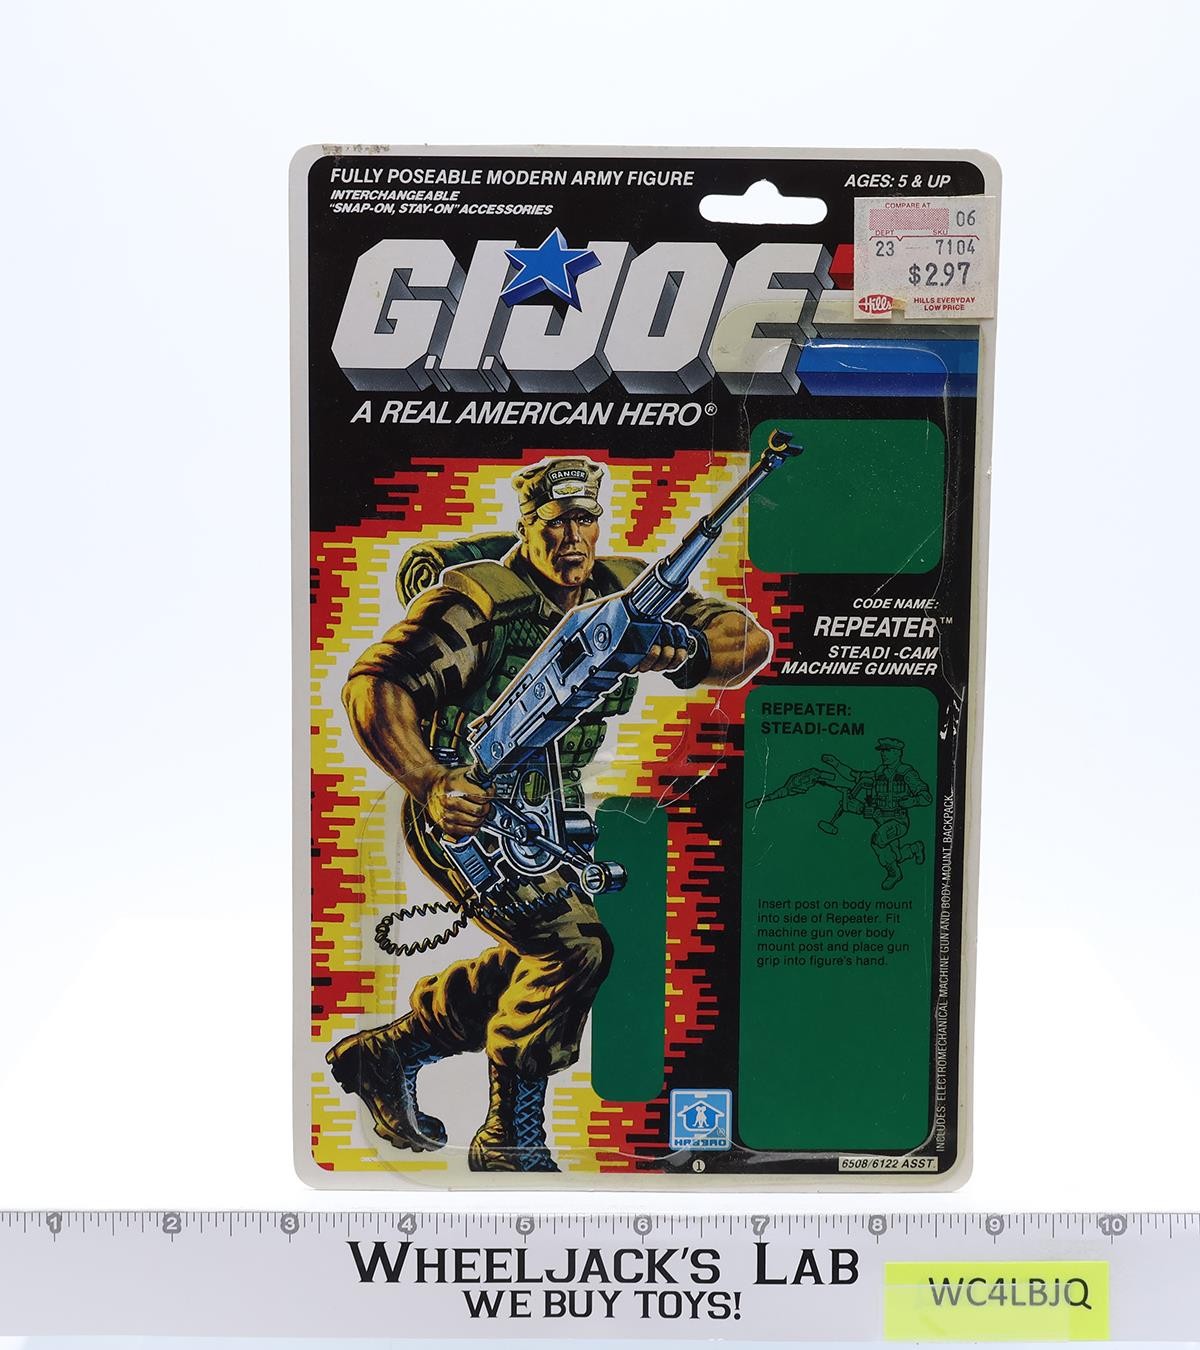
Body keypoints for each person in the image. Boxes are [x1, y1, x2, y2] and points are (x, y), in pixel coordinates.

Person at [326, 456, 770, 1171]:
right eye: (555, 523)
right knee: (574, 948)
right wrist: (430, 780)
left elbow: (746, 642)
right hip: (467, 809)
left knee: (549, 952)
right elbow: (375, 686)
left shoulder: (621, 592)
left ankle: (391, 1051)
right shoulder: (482, 607)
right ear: (527, 527)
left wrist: (683, 647)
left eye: (585, 520)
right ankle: (509, 1140)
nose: (572, 538)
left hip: (550, 810)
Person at [839, 737, 931, 890]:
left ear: (898, 753)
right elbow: (854, 775)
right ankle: (914, 848)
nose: (883, 754)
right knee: (895, 856)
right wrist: (835, 764)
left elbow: (926, 797)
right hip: (880, 819)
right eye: (882, 751)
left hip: (898, 821)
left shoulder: (907, 773)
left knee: (877, 840)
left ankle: (894, 874)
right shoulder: (879, 772)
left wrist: (911, 801)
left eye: (888, 751)